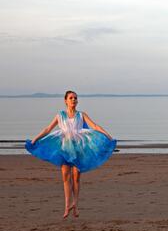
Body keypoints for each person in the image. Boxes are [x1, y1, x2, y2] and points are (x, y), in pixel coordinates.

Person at [26, 91, 116, 219]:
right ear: (66, 101)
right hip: (64, 148)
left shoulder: (81, 115)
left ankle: (76, 204)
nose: (73, 100)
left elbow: (94, 126)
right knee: (65, 177)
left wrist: (108, 136)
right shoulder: (60, 115)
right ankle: (67, 205)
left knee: (76, 177)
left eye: (75, 98)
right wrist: (35, 139)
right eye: (71, 98)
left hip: (79, 148)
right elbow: (48, 129)